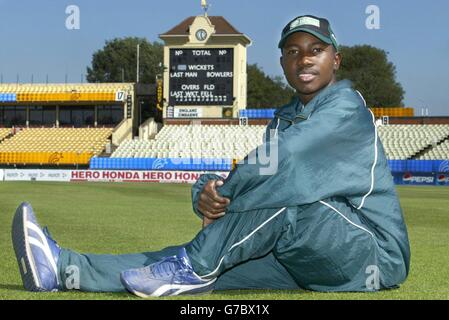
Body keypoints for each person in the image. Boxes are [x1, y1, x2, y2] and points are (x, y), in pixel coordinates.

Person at [11, 15, 410, 297]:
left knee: (270, 209)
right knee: (186, 261)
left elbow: (284, 161)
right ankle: (63, 268)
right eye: (293, 51)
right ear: (284, 62)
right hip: (308, 258)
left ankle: (194, 267)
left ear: (334, 60)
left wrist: (226, 192)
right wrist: (207, 192)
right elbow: (263, 167)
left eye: (316, 49)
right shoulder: (284, 117)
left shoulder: (346, 105)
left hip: (373, 254)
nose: (304, 58)